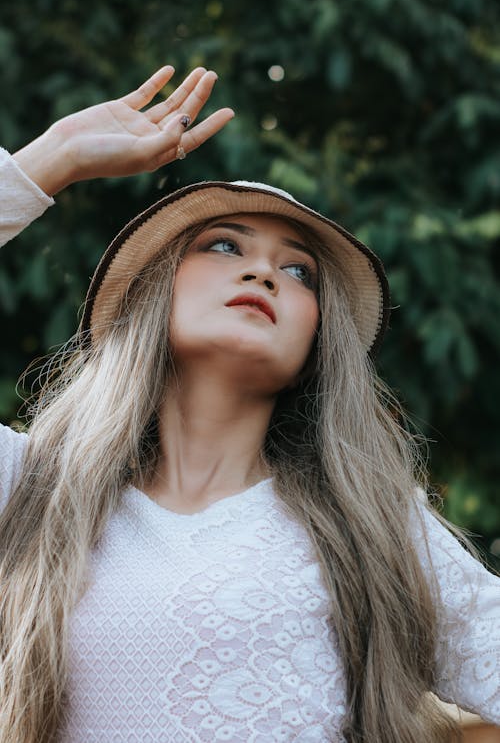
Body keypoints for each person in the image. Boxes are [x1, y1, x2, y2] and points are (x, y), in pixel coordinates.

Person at [0, 65, 498, 743]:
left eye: (299, 272)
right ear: (153, 294)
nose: (263, 272)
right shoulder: (31, 488)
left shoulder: (375, 523)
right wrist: (49, 161)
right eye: (224, 245)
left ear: (317, 343)